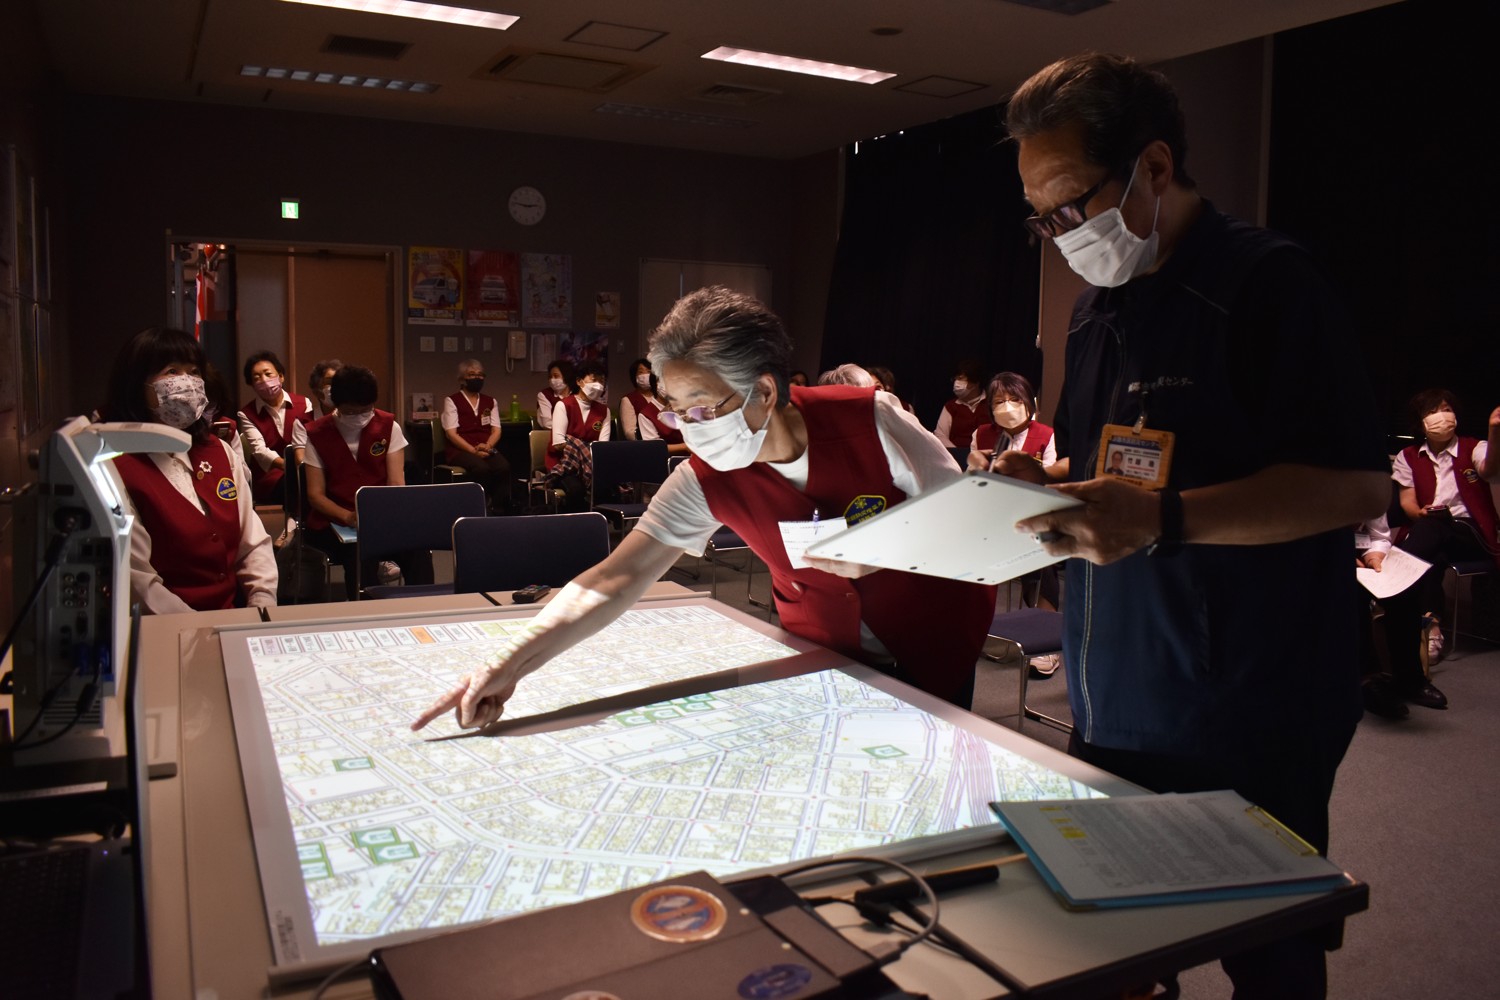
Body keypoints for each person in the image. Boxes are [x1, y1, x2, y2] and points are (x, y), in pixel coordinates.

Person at [999, 53, 1389, 997]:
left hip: (1251, 700)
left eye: (1070, 205)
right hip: (1114, 691)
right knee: (1118, 950)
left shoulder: (1268, 285)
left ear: (1155, 167)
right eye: (1041, 217)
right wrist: (1041, 483)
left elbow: (1354, 486)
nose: (1060, 234)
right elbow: (1109, 464)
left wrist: (1163, 520)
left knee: (1268, 949)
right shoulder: (1096, 312)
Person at [412, 287, 998, 736]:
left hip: (936, 641)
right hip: (823, 651)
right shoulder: (702, 478)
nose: (688, 429)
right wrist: (509, 663)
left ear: (763, 392)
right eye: (675, 409)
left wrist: (890, 550)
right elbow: (614, 579)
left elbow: (970, 521)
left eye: (702, 408)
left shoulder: (871, 417)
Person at [102, 327, 277, 613]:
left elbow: (252, 541)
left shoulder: (219, 452)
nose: (187, 382)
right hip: (164, 625)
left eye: (194, 372)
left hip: (232, 617)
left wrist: (262, 604)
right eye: (172, 371)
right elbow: (138, 579)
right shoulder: (116, 467)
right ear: (137, 384)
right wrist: (195, 627)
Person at [1384, 389, 1500, 707]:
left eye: (1446, 409)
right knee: (1432, 552)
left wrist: (1494, 430)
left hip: (1471, 534)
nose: (1442, 416)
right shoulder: (1409, 456)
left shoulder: (1474, 447)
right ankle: (1430, 625)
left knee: (1429, 537)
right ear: (1421, 422)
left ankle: (1396, 581)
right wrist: (1422, 513)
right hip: (1432, 532)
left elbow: (1490, 470)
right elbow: (1408, 503)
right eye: (1433, 411)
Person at [300, 365, 432, 599]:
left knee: (417, 550)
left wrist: (380, 518)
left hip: (383, 516)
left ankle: (425, 607)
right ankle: (367, 610)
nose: (360, 417)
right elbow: (315, 495)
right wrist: (348, 517)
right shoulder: (317, 433)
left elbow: (396, 484)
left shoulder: (388, 426)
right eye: (352, 411)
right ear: (336, 403)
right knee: (359, 555)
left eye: (366, 410)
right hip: (334, 522)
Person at [238, 350, 314, 504]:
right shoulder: (246, 414)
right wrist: (292, 468)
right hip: (270, 478)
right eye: (256, 378)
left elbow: (311, 441)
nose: (264, 380)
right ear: (252, 385)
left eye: (268, 374)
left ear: (281, 376)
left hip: (305, 469)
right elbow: (260, 451)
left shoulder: (304, 403)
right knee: (299, 485)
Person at [440, 358, 511, 513]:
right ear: (462, 379)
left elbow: (496, 430)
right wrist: (473, 451)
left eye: (480, 375)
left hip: (485, 447)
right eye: (472, 374)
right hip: (460, 450)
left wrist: (488, 446)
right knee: (481, 468)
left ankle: (498, 509)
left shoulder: (490, 401)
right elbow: (451, 434)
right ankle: (478, 506)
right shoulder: (452, 401)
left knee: (503, 467)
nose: (477, 378)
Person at [547, 360, 611, 512]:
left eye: (602, 381)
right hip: (564, 465)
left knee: (607, 488)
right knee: (576, 490)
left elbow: (602, 447)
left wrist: (581, 449)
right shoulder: (564, 405)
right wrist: (582, 449)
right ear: (579, 381)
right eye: (594, 380)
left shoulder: (604, 411)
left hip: (593, 464)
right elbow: (559, 444)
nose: (598, 385)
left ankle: (599, 523)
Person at [967, 372, 1055, 473]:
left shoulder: (1048, 435)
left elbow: (1049, 475)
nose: (1008, 408)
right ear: (991, 408)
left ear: (1029, 402)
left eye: (1015, 399)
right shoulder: (981, 434)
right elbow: (973, 472)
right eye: (999, 402)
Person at [933, 359, 985, 448]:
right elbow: (940, 435)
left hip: (985, 454)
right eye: (955, 379)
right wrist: (958, 453)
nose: (956, 383)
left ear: (976, 382)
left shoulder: (991, 404)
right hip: (955, 453)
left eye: (960, 378)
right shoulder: (951, 406)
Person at [635, 373, 688, 456]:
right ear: (655, 384)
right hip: (667, 460)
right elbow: (654, 448)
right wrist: (685, 447)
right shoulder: (646, 414)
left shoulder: (685, 405)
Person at [618, 357, 654, 440]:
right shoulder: (628, 400)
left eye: (649, 372)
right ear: (634, 376)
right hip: (644, 443)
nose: (646, 375)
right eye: (641, 372)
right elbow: (629, 432)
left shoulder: (660, 397)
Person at [535, 360, 572, 430]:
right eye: (550, 377)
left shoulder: (576, 394)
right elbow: (547, 424)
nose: (552, 380)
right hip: (553, 434)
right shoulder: (544, 395)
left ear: (567, 376)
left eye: (556, 376)